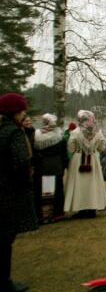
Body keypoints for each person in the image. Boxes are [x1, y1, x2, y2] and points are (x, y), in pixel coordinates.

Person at [0, 93, 38, 292]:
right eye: (22, 110)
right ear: (15, 111)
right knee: (5, 241)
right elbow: (22, 162)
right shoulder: (13, 132)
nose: (24, 113)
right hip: (9, 194)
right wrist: (27, 180)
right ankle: (5, 283)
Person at [64, 110, 106, 219]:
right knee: (93, 184)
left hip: (78, 160)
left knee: (78, 185)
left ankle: (81, 208)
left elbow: (71, 149)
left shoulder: (75, 132)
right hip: (93, 160)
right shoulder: (98, 132)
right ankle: (92, 208)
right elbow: (102, 148)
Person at [32, 113, 67, 223]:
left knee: (44, 190)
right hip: (56, 164)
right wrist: (65, 165)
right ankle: (57, 213)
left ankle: (44, 215)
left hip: (42, 165)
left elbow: (35, 151)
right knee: (57, 189)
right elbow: (63, 152)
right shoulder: (59, 134)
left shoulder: (37, 135)